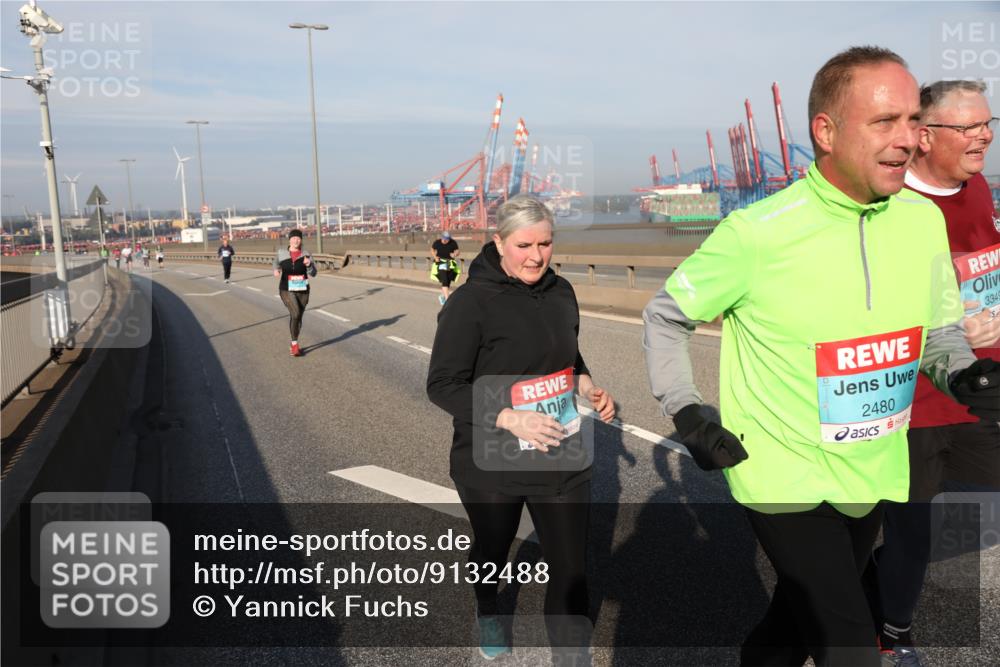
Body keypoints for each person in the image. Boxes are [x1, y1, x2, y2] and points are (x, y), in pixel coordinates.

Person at [642, 46, 999, 667]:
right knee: (849, 648)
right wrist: (687, 409)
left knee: (793, 625)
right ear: (825, 132)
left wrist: (962, 371)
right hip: (780, 474)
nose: (907, 139)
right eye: (883, 122)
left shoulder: (920, 221)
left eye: (913, 120)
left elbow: (939, 327)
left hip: (872, 466)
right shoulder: (757, 234)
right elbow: (665, 316)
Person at [427, 195, 616, 661]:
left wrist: (586, 384)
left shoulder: (561, 292)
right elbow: (442, 385)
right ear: (499, 242)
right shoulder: (471, 302)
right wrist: (510, 416)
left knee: (572, 572)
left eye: (546, 243)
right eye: (524, 244)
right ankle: (488, 605)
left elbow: (567, 354)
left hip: (560, 452)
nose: (536, 256)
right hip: (491, 458)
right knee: (492, 550)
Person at [870, 80, 1000, 667]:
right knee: (911, 534)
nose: (985, 137)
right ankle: (893, 633)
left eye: (987, 123)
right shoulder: (890, 206)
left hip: (982, 389)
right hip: (915, 401)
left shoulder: (977, 192)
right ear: (925, 135)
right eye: (969, 128)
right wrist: (942, 326)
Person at [273, 229, 317, 357]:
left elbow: (314, 273)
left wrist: (309, 265)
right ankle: (295, 346)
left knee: (298, 318)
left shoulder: (306, 254)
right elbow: (275, 262)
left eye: (298, 238)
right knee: (296, 313)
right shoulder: (282, 253)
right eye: (293, 238)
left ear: (301, 240)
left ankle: (294, 342)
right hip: (286, 289)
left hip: (303, 290)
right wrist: (276, 269)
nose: (296, 240)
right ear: (289, 240)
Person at [430, 230, 461, 305]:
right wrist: (435, 256)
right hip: (441, 262)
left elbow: (457, 251)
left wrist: (455, 254)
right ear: (441, 237)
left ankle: (442, 296)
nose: (445, 240)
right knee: (444, 279)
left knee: (448, 281)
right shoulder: (437, 242)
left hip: (449, 263)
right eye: (444, 238)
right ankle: (448, 299)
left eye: (447, 239)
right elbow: (432, 250)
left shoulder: (453, 242)